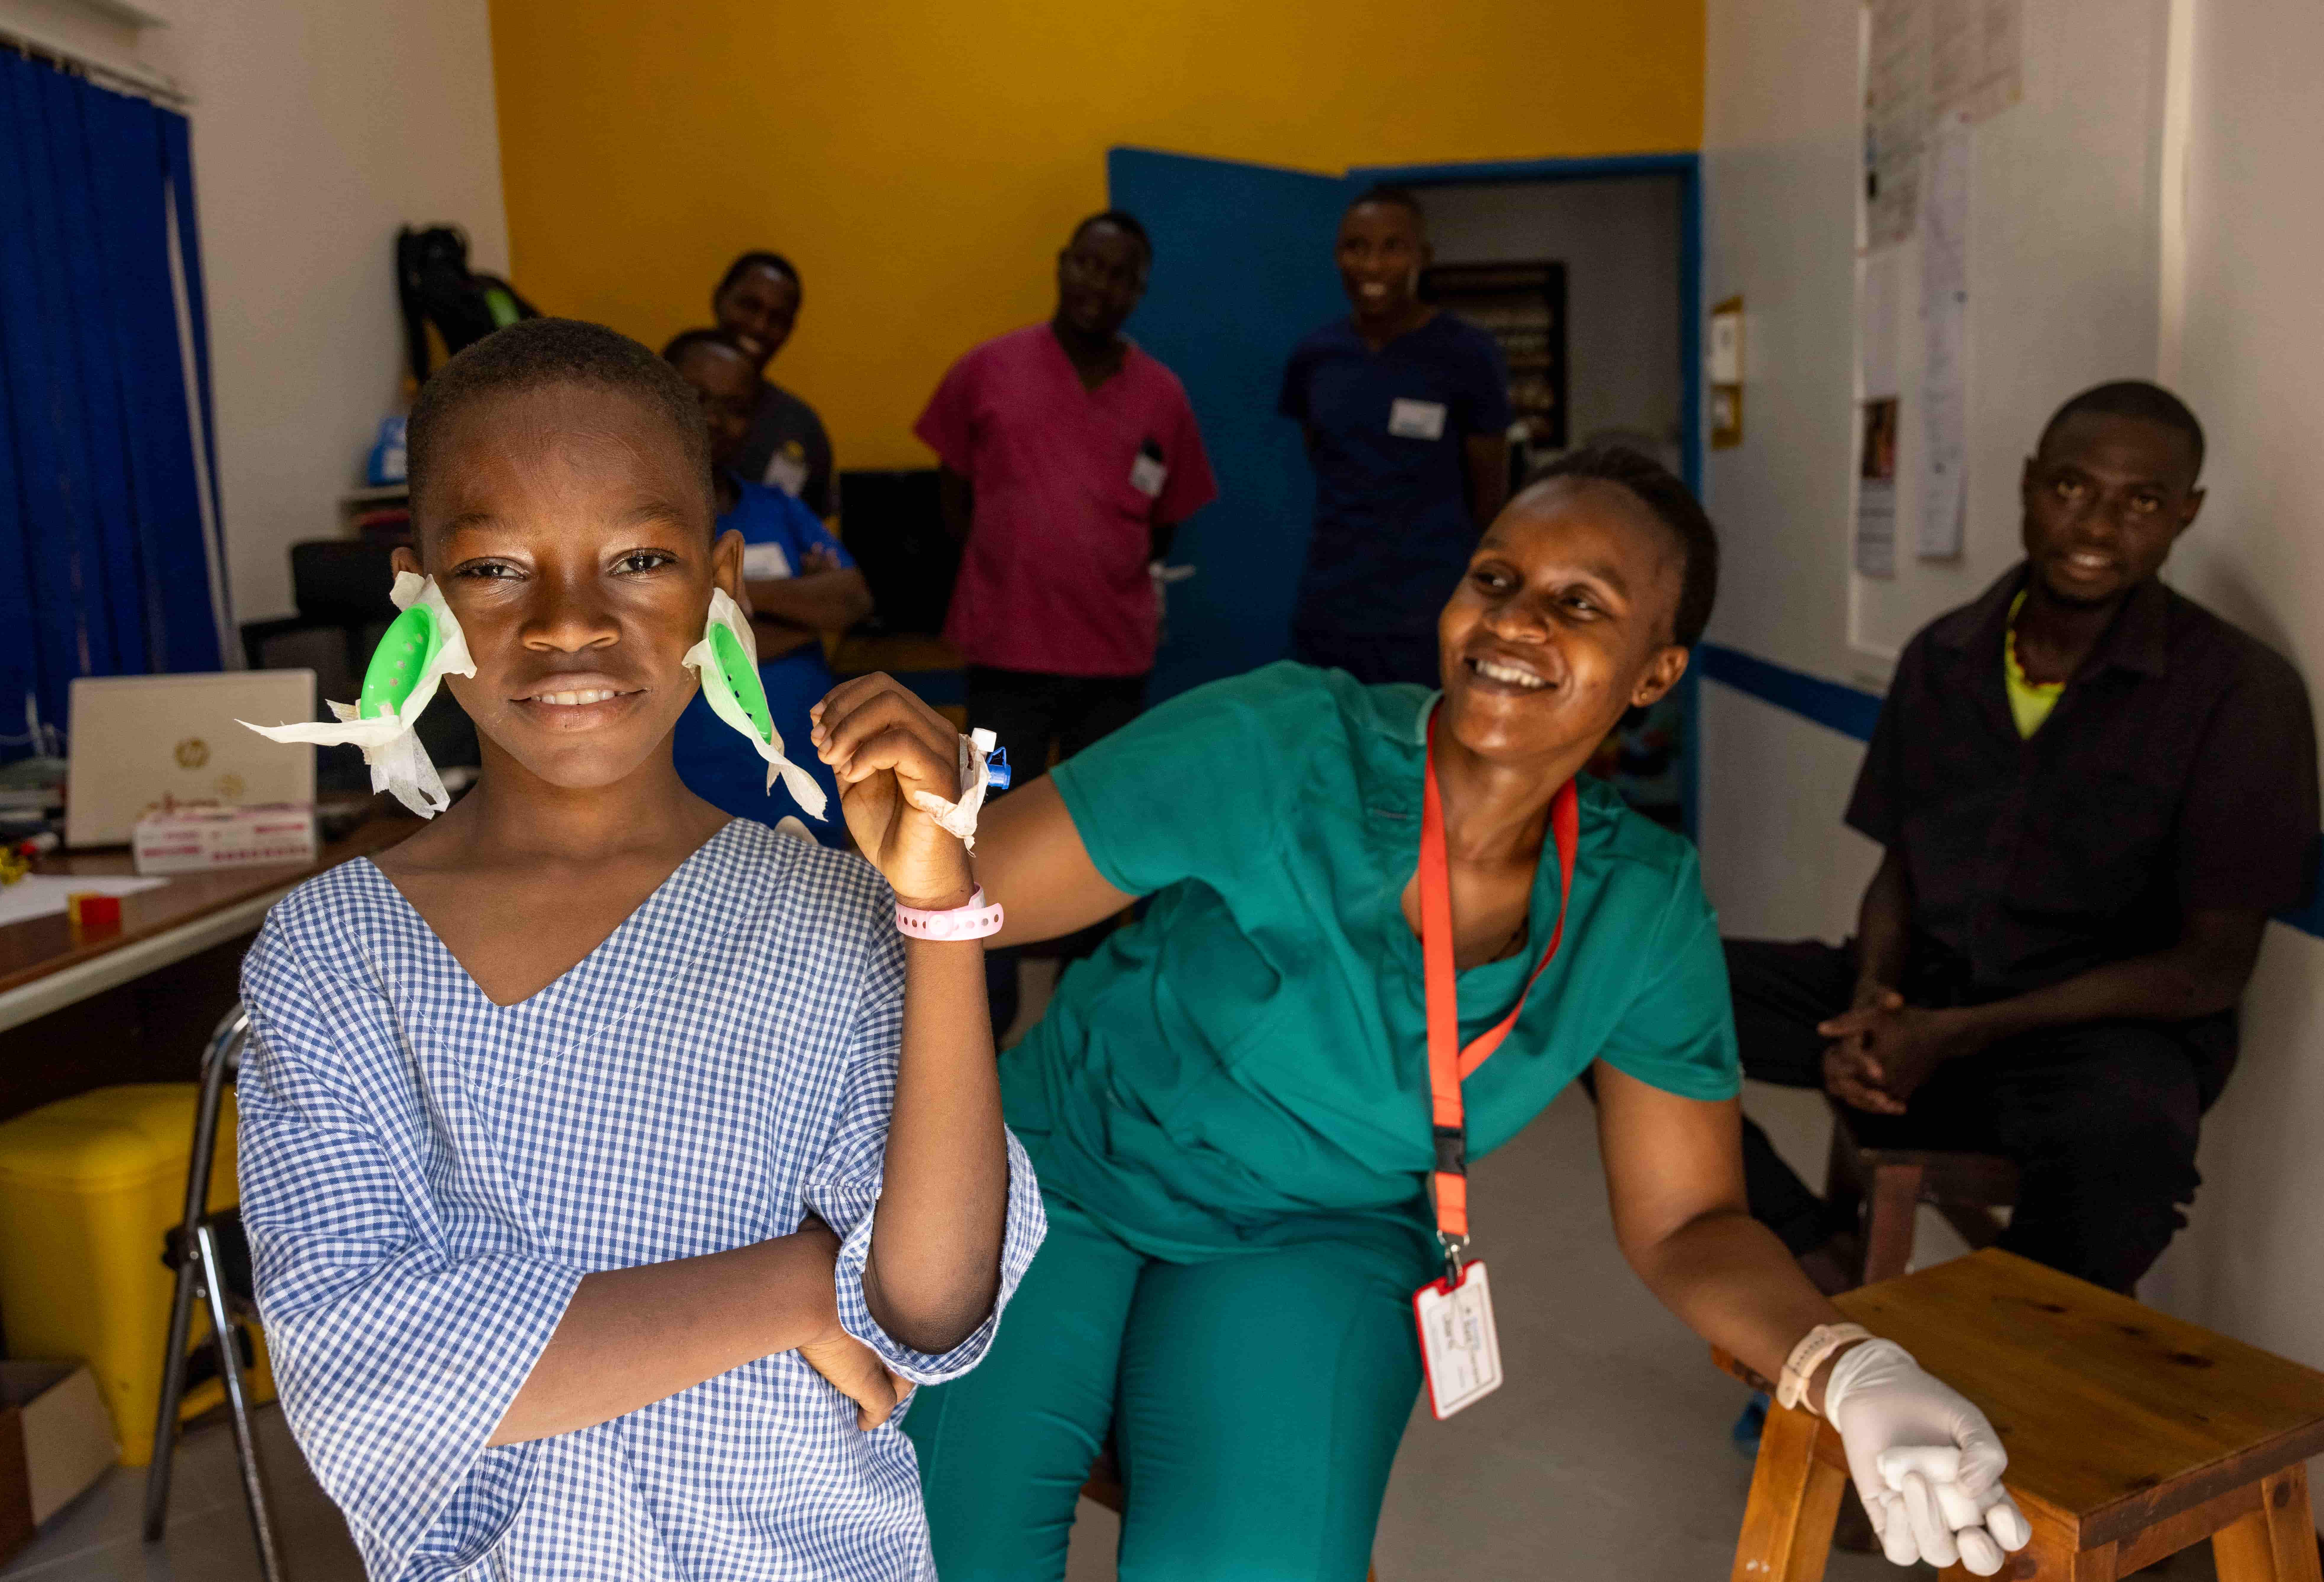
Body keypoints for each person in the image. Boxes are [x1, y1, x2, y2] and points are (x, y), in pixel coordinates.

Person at [817, 449, 2030, 1580]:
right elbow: (964, 890)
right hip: (1051, 1179)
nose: (1514, 620)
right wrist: (928, 815)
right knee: (935, 1548)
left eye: (1581, 602)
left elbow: (1689, 1219)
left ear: (1657, 670)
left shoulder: (1638, 907)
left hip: (1318, 1232)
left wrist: (1841, 1361)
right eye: (1495, 579)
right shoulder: (1285, 743)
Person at [232, 319, 1043, 1582]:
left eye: (639, 558)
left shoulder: (826, 915)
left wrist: (940, 908)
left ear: (723, 582)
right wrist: (792, 1282)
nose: (569, 624)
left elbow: (928, 1306)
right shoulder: (330, 952)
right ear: (418, 592)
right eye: (499, 567)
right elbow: (367, 1368)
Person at [1734, 381, 2318, 1297]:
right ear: (2028, 485)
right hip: (1924, 996)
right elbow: (1901, 866)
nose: (2095, 525)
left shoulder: (2240, 693)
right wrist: (1875, 998)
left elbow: (2209, 968)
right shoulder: (1943, 656)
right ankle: (1813, 1269)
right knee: (1612, 990)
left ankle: (2001, 1363)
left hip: (2089, 1041)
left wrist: (1955, 1032)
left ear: (2186, 515)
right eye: (2073, 488)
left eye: (2143, 501)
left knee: (2134, 1150)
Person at [915, 209, 1216, 1033]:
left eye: (1121, 274)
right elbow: (953, 500)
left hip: (1111, 659)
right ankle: (988, 994)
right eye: (1089, 265)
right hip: (1008, 651)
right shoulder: (988, 370)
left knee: (1098, 829)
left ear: (1139, 290)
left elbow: (1166, 522)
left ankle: (1086, 1002)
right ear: (1063, 264)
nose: (1101, 285)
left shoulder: (1162, 395)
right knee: (990, 816)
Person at [1280, 184, 1513, 689]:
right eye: (1356, 247)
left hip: (1430, 611)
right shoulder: (1315, 357)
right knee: (1331, 752)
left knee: (1424, 756)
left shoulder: (1466, 354)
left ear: (1421, 257)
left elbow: (1489, 498)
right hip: (1333, 608)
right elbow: (1322, 458)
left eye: (1392, 247)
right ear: (1337, 256)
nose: (1372, 266)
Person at [663, 327, 870, 843]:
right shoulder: (636, 520)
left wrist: (727, 598)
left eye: (734, 407)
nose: (713, 418)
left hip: (805, 776)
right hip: (691, 785)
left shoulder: (778, 506)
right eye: (696, 398)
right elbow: (679, 644)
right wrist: (803, 611)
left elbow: (852, 599)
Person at [713, 249, 837, 519]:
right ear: (720, 299)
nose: (759, 326)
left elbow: (808, 534)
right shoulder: (657, 398)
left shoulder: (803, 428)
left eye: (778, 319)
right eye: (749, 306)